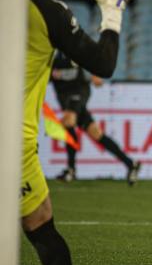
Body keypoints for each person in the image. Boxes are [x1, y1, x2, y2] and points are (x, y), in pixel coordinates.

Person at [23, 0, 141, 265]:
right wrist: (113, 13)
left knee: (83, 129)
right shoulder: (48, 14)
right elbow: (103, 64)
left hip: (56, 115)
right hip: (12, 146)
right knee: (40, 221)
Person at [50, 51, 141, 185]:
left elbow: (93, 72)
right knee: (96, 133)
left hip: (78, 93)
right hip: (65, 99)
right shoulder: (52, 57)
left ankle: (71, 169)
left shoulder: (75, 51)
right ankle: (131, 163)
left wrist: (94, 75)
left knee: (69, 121)